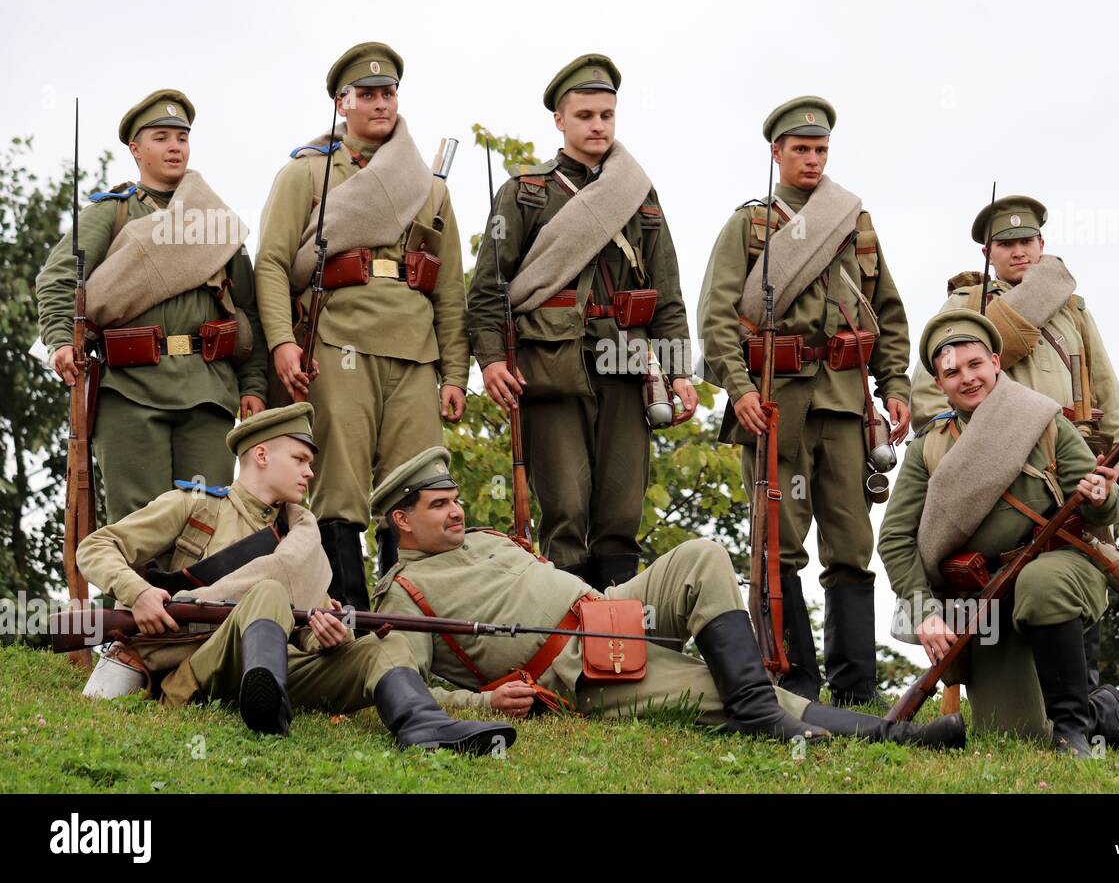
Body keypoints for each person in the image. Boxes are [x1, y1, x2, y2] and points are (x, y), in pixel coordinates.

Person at [366, 446, 965, 749]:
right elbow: (409, 683)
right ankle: (898, 738)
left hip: (611, 610)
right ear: (401, 521)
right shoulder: (406, 594)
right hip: (581, 668)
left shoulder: (481, 540)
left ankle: (758, 712)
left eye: (454, 500)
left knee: (702, 554)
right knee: (727, 693)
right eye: (437, 505)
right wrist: (485, 704)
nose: (456, 510)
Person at [75, 403, 513, 755]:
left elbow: (305, 632)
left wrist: (325, 636)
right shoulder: (195, 507)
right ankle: (267, 709)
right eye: (300, 459)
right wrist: (140, 593)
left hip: (277, 670)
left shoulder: (302, 539)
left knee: (388, 643)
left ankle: (423, 726)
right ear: (261, 455)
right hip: (196, 665)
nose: (309, 472)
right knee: (267, 592)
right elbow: (94, 547)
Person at [697, 97, 910, 704]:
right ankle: (791, 682)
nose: (813, 160)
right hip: (775, 406)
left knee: (850, 545)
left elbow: (888, 314)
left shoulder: (856, 224)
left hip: (845, 405)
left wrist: (893, 385)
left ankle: (856, 689)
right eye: (801, 150)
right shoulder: (749, 226)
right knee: (777, 546)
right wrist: (737, 389)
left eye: (820, 151)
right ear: (777, 153)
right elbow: (715, 319)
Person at [878, 310, 1119, 757]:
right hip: (984, 597)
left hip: (1058, 571)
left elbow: (1102, 504)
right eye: (951, 372)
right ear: (939, 383)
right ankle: (1102, 712)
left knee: (1040, 582)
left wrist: (1101, 493)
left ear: (994, 362)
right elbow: (895, 537)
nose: (966, 379)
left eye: (974, 365)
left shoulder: (1044, 420)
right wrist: (923, 610)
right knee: (1015, 734)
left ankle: (1073, 732)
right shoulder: (927, 447)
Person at [465, 53, 696, 589]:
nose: (598, 125)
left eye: (607, 115)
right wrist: (492, 360)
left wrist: (678, 370)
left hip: (627, 365)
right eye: (586, 115)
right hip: (550, 367)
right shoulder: (525, 192)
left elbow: (667, 294)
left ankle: (617, 646)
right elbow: (487, 289)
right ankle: (572, 642)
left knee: (620, 514)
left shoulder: (639, 194)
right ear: (559, 120)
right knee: (565, 510)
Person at [255, 42, 470, 610]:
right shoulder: (305, 174)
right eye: (368, 95)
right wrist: (281, 341)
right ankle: (345, 617)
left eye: (389, 93)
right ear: (340, 103)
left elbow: (450, 289)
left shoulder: (431, 186)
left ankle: (410, 620)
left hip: (415, 349)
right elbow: (272, 263)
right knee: (340, 486)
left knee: (420, 486)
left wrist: (455, 373)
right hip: (338, 340)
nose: (380, 104)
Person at [906, 195, 1119, 687]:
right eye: (1006, 244)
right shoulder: (965, 312)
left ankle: (1088, 700)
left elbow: (1108, 392)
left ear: (1042, 244)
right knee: (997, 594)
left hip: (1069, 465)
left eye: (1027, 242)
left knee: (1080, 560)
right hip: (996, 475)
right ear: (988, 252)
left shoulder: (1072, 310)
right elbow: (928, 404)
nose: (1019, 252)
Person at [36, 89, 267, 522]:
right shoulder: (113, 213)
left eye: (181, 137)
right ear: (136, 149)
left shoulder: (215, 220)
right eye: (161, 137)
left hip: (208, 389)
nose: (175, 146)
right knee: (138, 531)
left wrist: (253, 387)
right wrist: (60, 340)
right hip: (130, 390)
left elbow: (246, 312)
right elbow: (57, 279)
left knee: (206, 529)